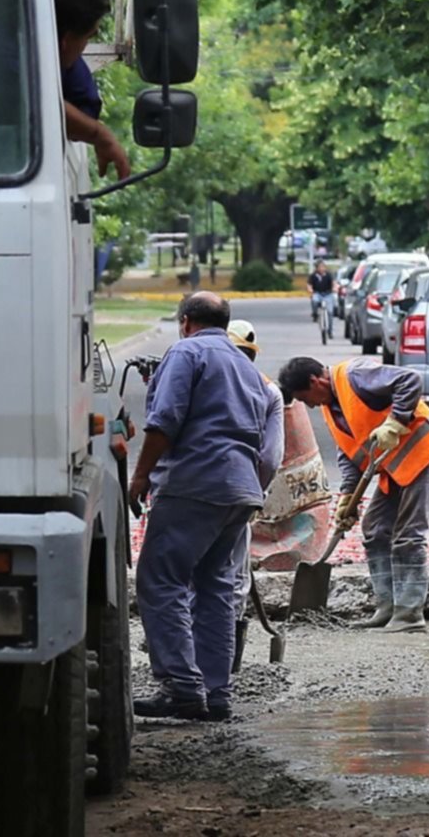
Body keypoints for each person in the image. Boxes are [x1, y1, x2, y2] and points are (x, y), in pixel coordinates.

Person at [129, 292, 284, 720]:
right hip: (240, 492)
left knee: (162, 581)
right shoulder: (249, 371)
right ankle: (216, 694)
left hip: (195, 484)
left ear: (185, 321)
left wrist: (140, 475)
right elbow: (264, 447)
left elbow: (165, 421)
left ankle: (181, 686)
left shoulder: (187, 351)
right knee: (215, 587)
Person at [277, 355, 429, 632]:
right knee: (375, 528)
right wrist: (349, 497)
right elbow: (350, 452)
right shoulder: (329, 405)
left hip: (422, 451)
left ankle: (409, 614)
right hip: (394, 466)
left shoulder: (355, 375)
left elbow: (409, 380)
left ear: (315, 381)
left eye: (304, 397)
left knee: (408, 533)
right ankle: (387, 606)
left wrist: (395, 422)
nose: (308, 405)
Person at [53, 0, 131, 180]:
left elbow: (85, 111)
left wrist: (91, 130)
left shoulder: (59, 58)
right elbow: (35, 106)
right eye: (88, 37)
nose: (85, 47)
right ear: (67, 40)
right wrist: (100, 136)